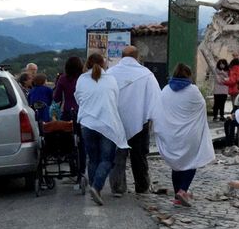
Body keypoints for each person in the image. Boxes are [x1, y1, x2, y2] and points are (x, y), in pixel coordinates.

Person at [152, 63, 214, 207]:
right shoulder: (193, 91)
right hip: (189, 133)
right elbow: (201, 106)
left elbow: (159, 108)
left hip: (171, 133)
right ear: (189, 75)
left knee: (177, 165)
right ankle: (183, 190)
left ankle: (177, 195)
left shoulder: (166, 90)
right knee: (191, 162)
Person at [75, 53, 128, 206]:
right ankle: (97, 187)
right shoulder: (111, 79)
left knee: (93, 159)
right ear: (104, 63)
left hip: (87, 123)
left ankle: (94, 186)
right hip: (107, 124)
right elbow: (115, 100)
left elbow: (79, 99)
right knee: (107, 159)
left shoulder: (81, 80)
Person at [106, 46, 160, 196]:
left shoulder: (110, 73)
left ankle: (117, 187)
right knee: (139, 156)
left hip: (115, 120)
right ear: (137, 57)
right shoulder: (146, 74)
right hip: (140, 122)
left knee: (118, 155)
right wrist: (152, 119)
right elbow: (155, 99)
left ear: (122, 56)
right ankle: (141, 186)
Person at [53, 56, 86, 175]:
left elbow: (56, 98)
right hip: (82, 113)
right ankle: (82, 169)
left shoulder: (62, 79)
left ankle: (72, 168)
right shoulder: (84, 78)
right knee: (82, 143)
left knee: (68, 142)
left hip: (67, 113)